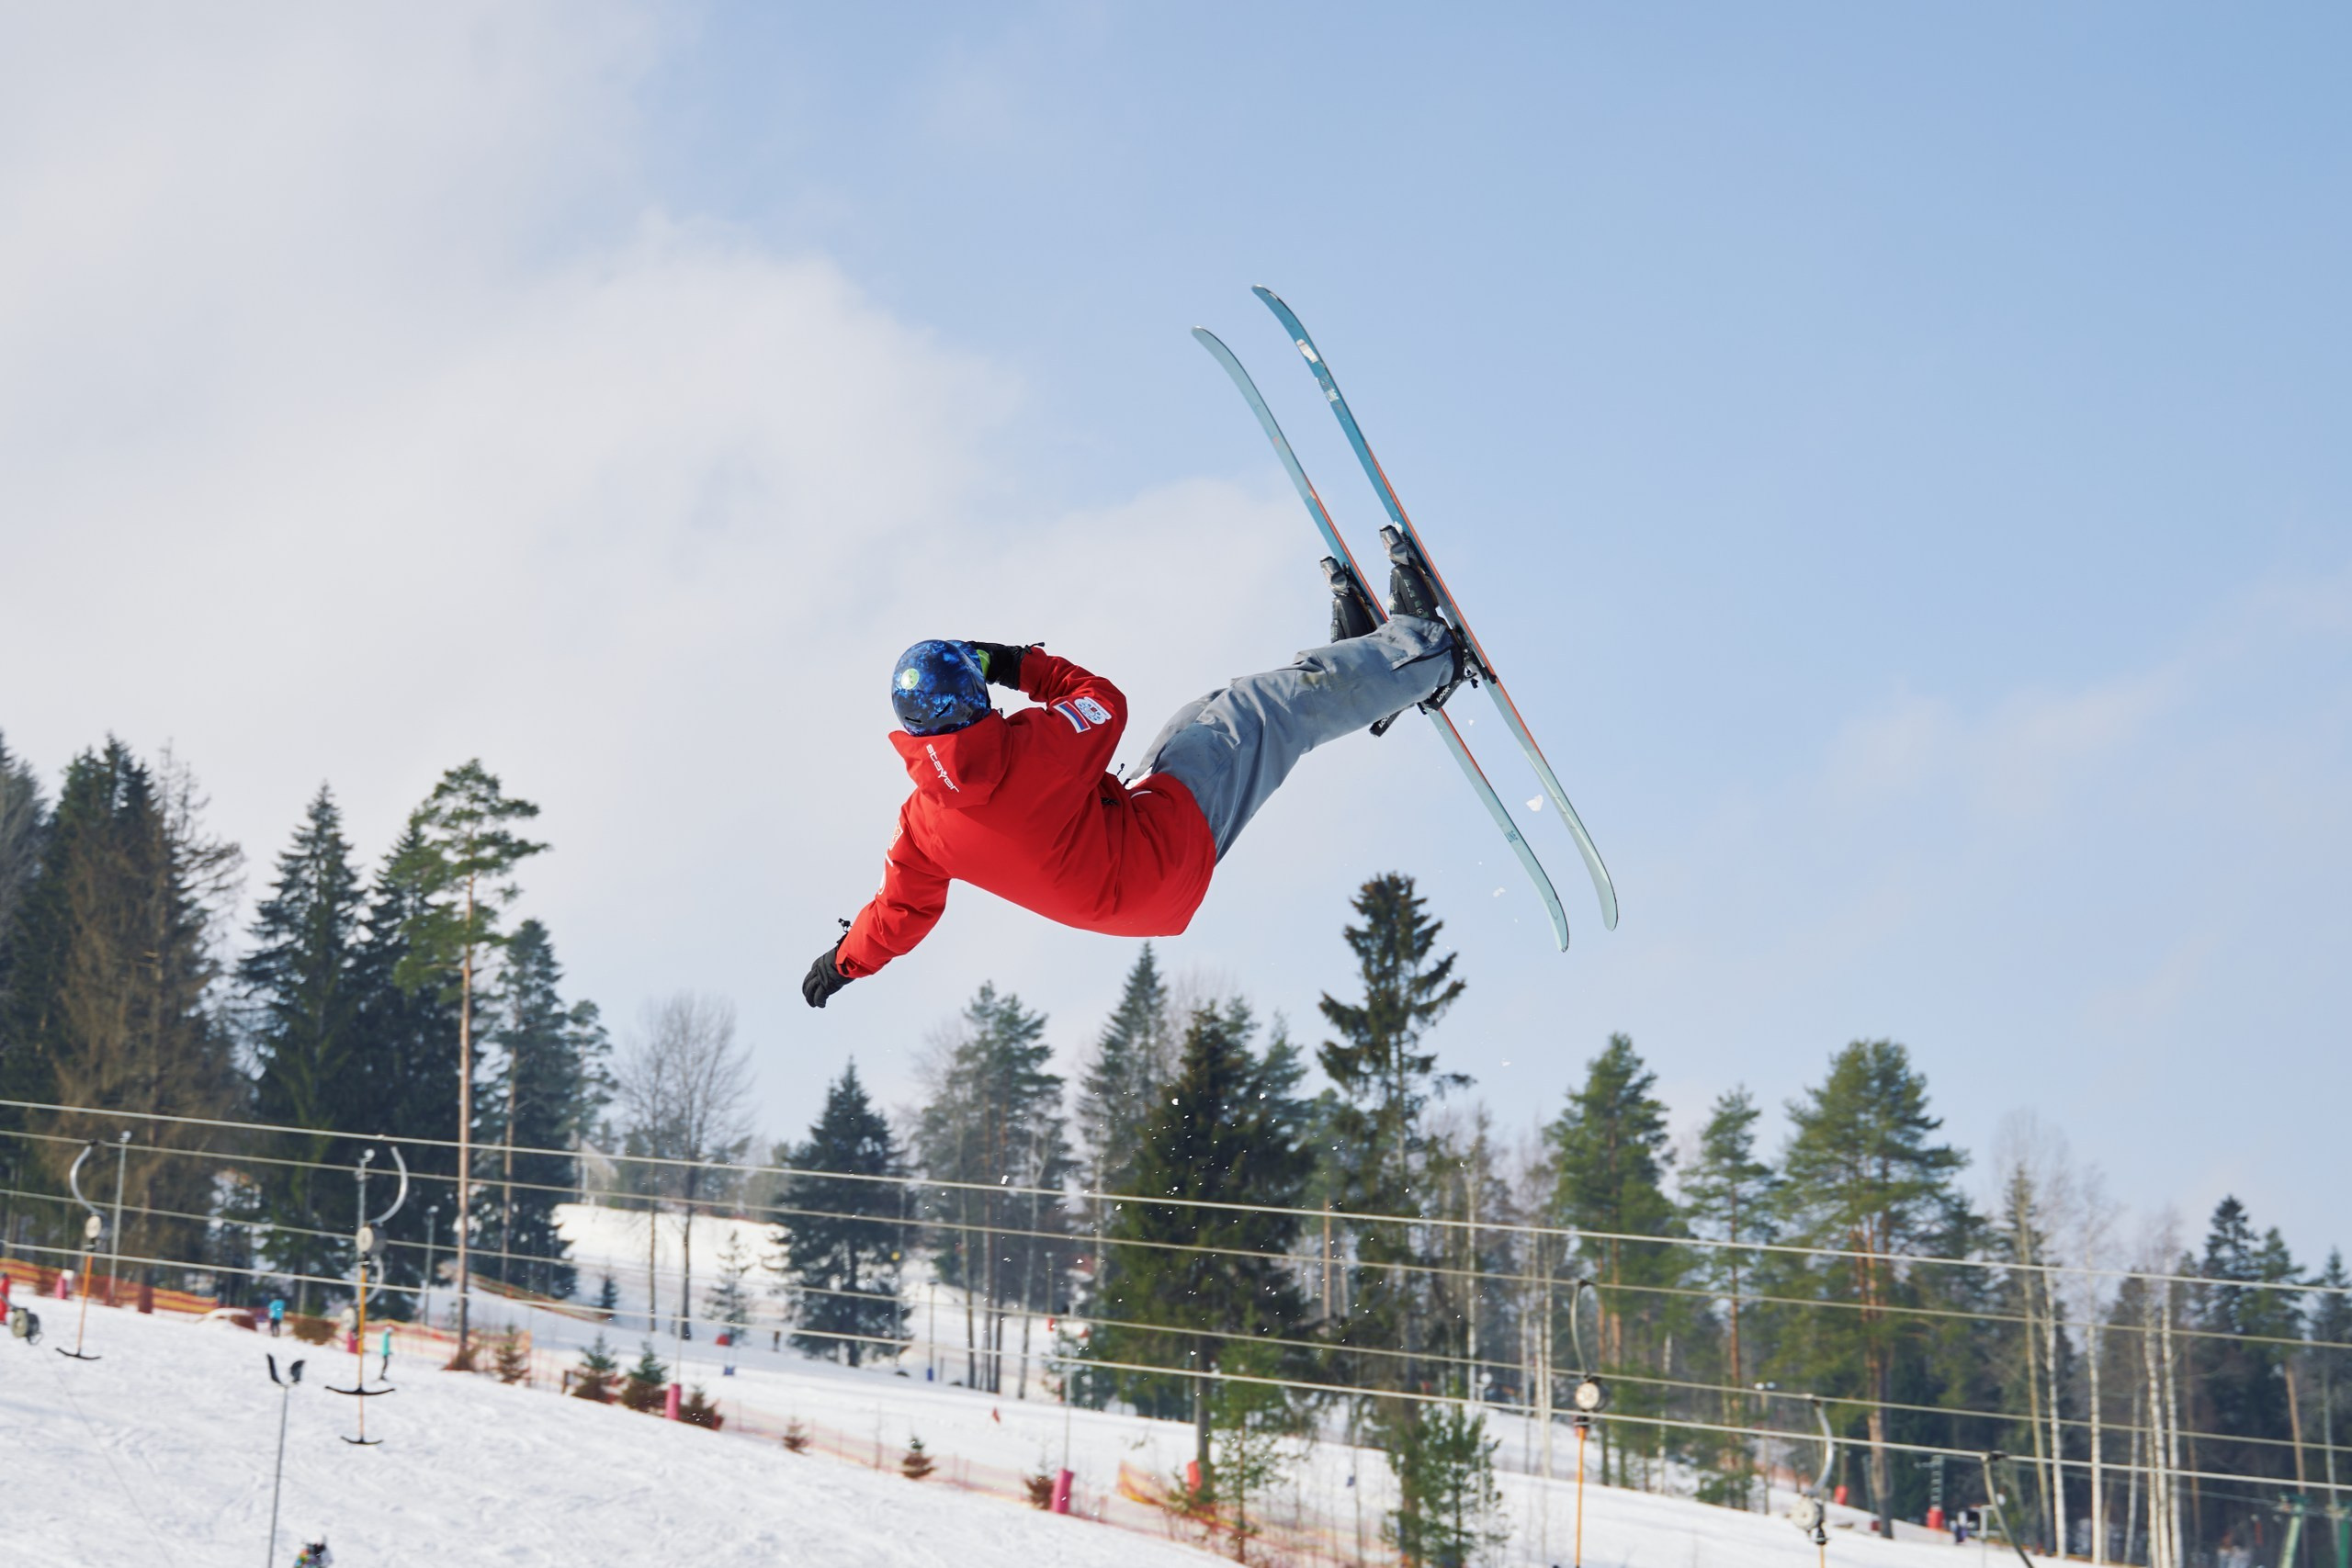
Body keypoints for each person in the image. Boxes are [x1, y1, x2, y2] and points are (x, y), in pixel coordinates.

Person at [804, 545, 1467, 1007]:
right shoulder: (1035, 750)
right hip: (1163, 850)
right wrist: (1015, 662)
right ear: (977, 696)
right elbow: (1103, 701)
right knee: (1261, 711)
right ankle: (1427, 652)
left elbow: (899, 913)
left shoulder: (922, 825)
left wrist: (843, 964)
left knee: (1207, 714)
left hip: (1134, 880)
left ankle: (1360, 666)